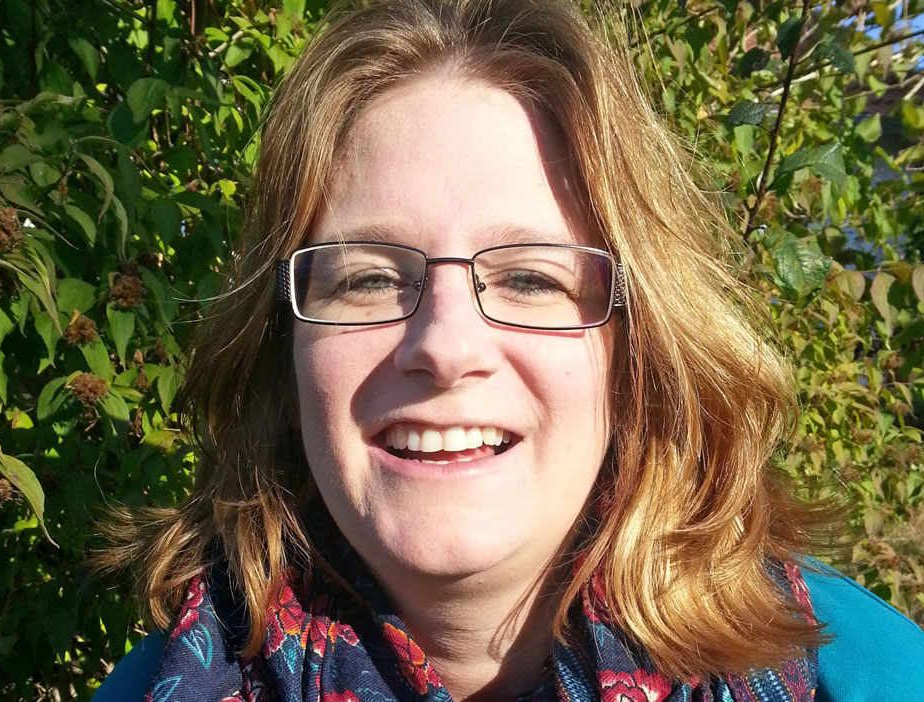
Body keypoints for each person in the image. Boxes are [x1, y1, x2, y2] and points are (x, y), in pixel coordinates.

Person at [94, 0, 924, 700]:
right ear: (284, 347)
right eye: (370, 278)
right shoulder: (157, 687)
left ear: (639, 347)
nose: (446, 347)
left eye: (530, 278)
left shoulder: (871, 675)